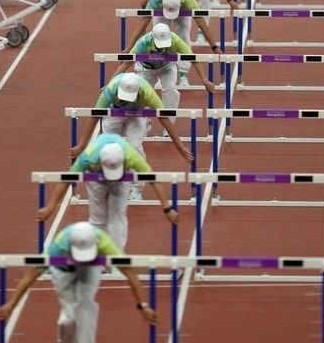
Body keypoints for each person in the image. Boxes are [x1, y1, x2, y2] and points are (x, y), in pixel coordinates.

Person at [0, 221, 156, 343]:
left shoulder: (104, 242)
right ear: (70, 247)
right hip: (62, 270)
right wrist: (11, 305)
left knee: (85, 304)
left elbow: (129, 272)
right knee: (69, 314)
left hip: (90, 269)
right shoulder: (57, 247)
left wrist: (142, 305)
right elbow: (30, 275)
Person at [38, 134, 179, 249]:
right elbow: (67, 179)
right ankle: (96, 257)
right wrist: (50, 207)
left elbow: (154, 180)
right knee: (97, 218)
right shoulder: (89, 156)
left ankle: (116, 259)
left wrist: (167, 209)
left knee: (117, 215)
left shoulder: (130, 156)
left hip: (122, 178)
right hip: (96, 177)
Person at [71, 72, 193, 201]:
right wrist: (81, 146)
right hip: (115, 112)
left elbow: (164, 118)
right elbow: (94, 116)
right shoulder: (111, 90)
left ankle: (136, 188)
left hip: (137, 114)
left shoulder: (147, 92)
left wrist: (180, 147)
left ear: (138, 92)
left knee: (134, 147)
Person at [128, 0, 221, 88]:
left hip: (183, 7)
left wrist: (214, 46)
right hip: (161, 8)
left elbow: (202, 23)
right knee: (159, 37)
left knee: (183, 35)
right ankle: (160, 73)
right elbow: (142, 25)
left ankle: (183, 75)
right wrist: (129, 48)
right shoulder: (156, 0)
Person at [113, 22, 216, 116]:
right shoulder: (144, 42)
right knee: (141, 95)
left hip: (167, 67)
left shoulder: (175, 40)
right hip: (146, 69)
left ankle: (168, 124)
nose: (162, 48)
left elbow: (193, 59)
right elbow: (127, 63)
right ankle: (144, 124)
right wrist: (112, 83)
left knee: (170, 90)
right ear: (153, 39)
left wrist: (204, 80)